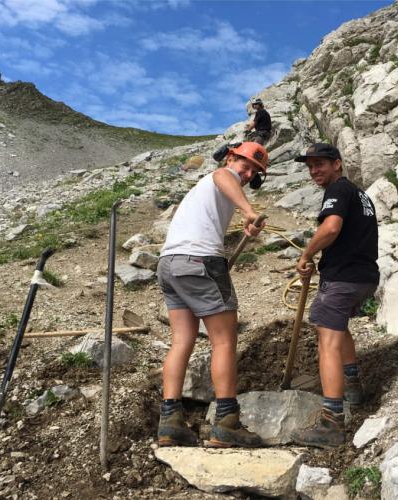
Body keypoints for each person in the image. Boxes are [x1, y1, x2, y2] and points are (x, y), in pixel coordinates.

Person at [156, 142, 268, 448]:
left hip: (170, 264)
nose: (247, 175)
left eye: (254, 172)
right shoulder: (221, 176)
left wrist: (245, 225)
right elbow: (224, 176)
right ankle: (227, 422)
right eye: (244, 166)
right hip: (199, 261)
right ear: (231, 157)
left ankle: (170, 421)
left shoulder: (209, 192)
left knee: (181, 341)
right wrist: (248, 210)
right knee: (224, 341)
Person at [289, 143, 379, 448]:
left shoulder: (338, 190)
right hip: (363, 277)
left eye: (320, 164)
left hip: (344, 277)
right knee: (338, 330)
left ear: (337, 164)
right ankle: (352, 385)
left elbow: (331, 228)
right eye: (310, 166)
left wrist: (306, 254)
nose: (314, 171)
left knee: (326, 338)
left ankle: (332, 422)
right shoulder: (360, 194)